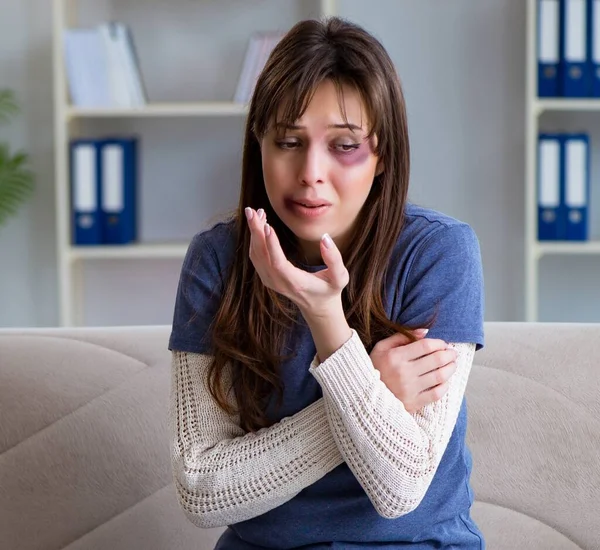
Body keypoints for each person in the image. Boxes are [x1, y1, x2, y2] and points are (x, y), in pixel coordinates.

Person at [168, 15, 485, 550]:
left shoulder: (439, 253)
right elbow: (201, 487)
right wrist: (374, 394)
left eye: (343, 145)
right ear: (259, 145)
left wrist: (325, 318)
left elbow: (400, 486)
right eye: (288, 141)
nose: (311, 171)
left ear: (381, 154)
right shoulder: (216, 261)